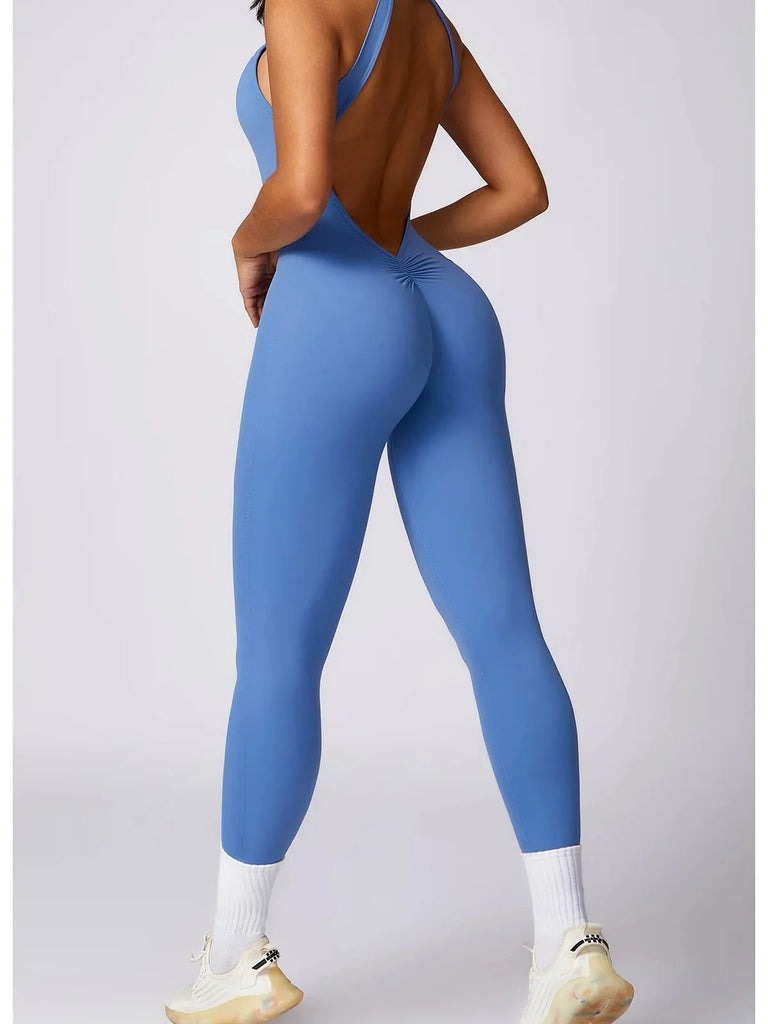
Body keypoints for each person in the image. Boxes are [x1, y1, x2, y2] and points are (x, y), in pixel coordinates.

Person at [164, 0, 635, 1021]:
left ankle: (237, 955)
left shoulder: (302, 6)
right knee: (505, 632)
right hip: (443, 305)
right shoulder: (425, 18)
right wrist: (407, 237)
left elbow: (300, 192)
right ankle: (568, 942)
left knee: (278, 655)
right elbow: (521, 189)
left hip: (334, 309)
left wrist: (247, 243)